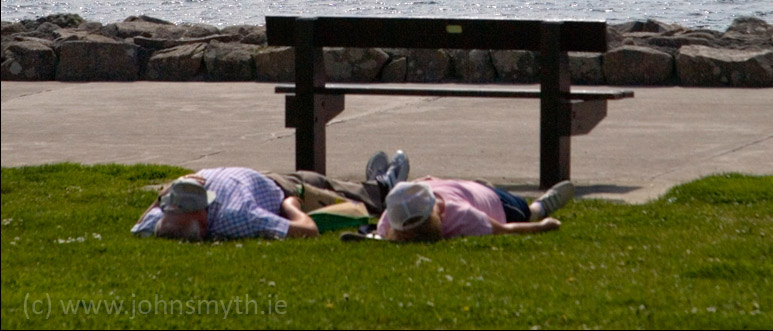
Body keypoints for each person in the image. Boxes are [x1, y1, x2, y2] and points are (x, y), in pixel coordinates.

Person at [131, 150, 409, 241]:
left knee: (312, 179)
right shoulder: (237, 218)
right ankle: (383, 188)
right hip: (280, 188)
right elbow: (306, 230)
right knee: (316, 183)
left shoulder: (165, 218)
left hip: (250, 178)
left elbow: (140, 224)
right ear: (204, 224)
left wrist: (165, 193)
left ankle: (377, 185)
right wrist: (291, 207)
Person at [376, 176, 575, 242]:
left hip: (497, 202)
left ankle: (539, 207)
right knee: (472, 189)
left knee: (524, 212)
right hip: (450, 186)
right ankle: (477, 186)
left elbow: (506, 229)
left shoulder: (463, 216)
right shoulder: (392, 214)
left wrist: (542, 225)